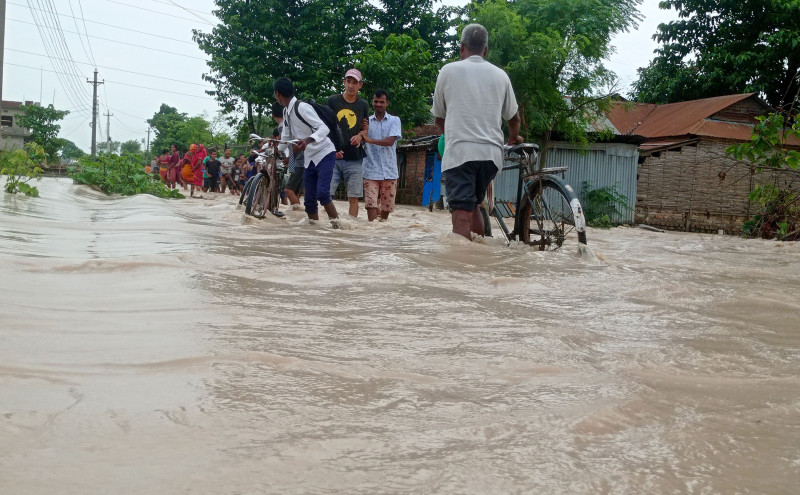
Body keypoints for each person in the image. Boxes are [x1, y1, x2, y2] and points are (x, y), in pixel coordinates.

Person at [432, 23, 522, 240]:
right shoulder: (500, 75)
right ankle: (480, 261)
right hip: (491, 158)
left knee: (461, 213)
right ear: (486, 50)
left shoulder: (448, 70)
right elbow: (514, 118)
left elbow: (439, 117)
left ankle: (462, 270)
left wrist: (451, 135)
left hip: (460, 154)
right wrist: (512, 138)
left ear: (462, 48)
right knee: (474, 207)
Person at [274, 77, 339, 224]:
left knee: (322, 194)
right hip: (309, 157)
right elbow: (285, 137)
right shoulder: (286, 112)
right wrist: (277, 151)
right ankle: (313, 233)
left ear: (277, 94)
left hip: (325, 153)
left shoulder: (301, 107)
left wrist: (308, 140)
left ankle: (338, 227)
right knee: (309, 200)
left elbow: (324, 128)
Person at [327, 68, 369, 218]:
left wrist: (360, 136)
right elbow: (326, 127)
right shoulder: (332, 101)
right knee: (326, 195)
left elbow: (365, 127)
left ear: (360, 85)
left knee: (354, 197)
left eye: (355, 82)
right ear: (344, 82)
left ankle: (352, 228)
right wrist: (332, 149)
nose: (351, 85)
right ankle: (330, 226)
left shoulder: (363, 105)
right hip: (333, 156)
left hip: (355, 157)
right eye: (348, 81)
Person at [361, 89, 402, 222]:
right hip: (370, 171)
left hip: (389, 172)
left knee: (386, 210)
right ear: (372, 102)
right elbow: (359, 137)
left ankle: (381, 236)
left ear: (387, 103)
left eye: (381, 102)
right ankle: (372, 235)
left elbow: (390, 141)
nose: (378, 104)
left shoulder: (395, 120)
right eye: (376, 101)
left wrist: (369, 140)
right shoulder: (365, 122)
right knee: (371, 206)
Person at [270, 101, 304, 209]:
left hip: (299, 159)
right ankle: (299, 218)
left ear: (273, 115)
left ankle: (299, 214)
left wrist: (288, 158)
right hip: (298, 159)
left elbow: (293, 144)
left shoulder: (283, 126)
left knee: (288, 190)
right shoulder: (293, 122)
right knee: (295, 192)